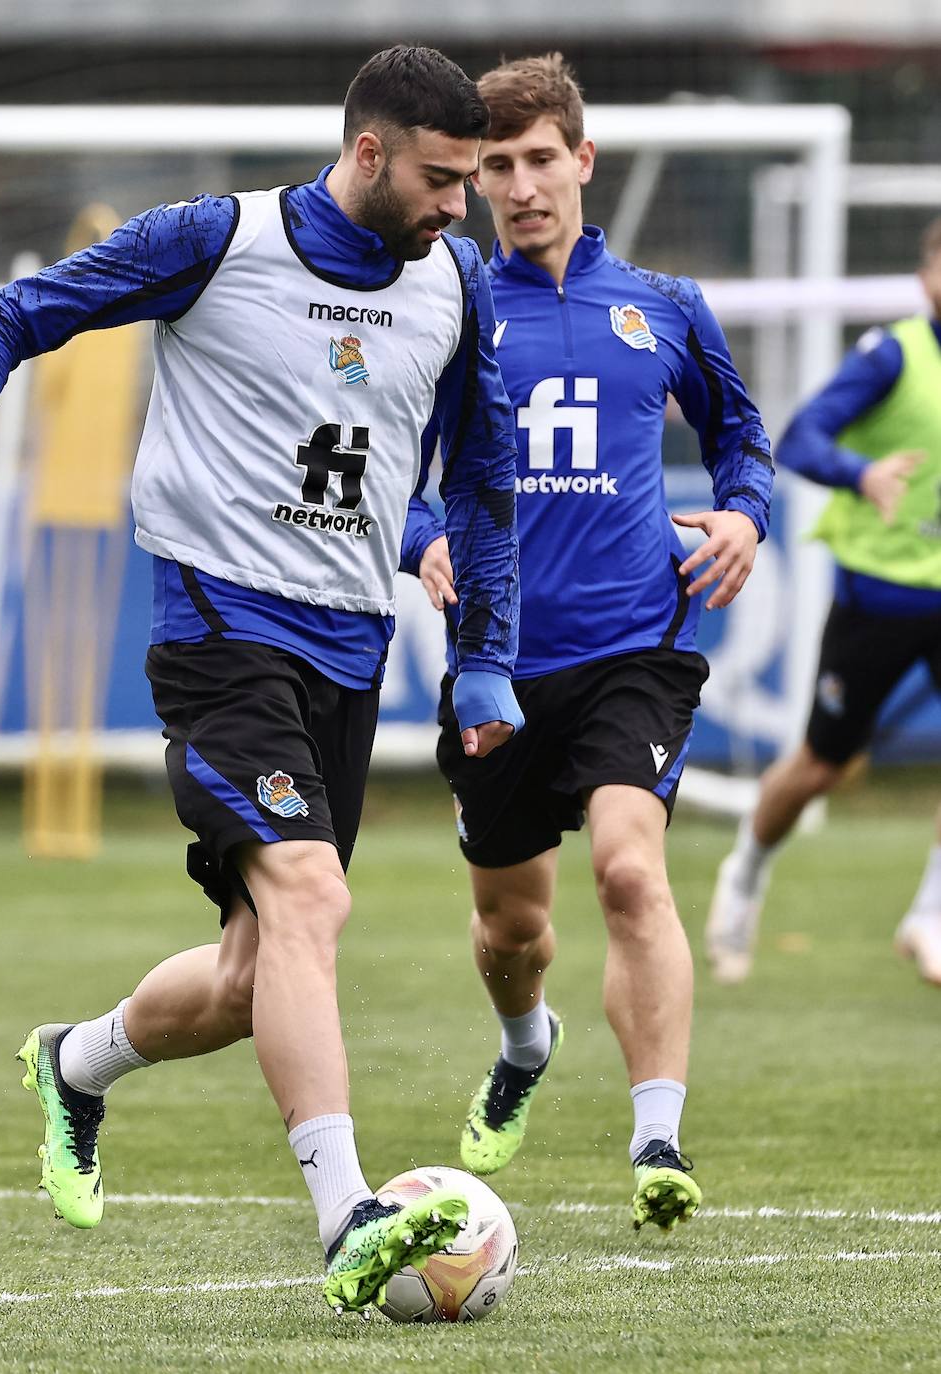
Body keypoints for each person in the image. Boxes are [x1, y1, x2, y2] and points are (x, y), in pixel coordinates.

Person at [0, 45, 524, 1314]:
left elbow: (473, 481)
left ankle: (76, 1061)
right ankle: (348, 1213)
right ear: (367, 153)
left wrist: (485, 657)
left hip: (350, 647)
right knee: (310, 902)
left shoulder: (454, 277)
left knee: (252, 973)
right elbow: (12, 318)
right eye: (446, 180)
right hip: (220, 633)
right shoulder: (212, 243)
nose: (465, 206)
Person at [401, 54, 772, 1230]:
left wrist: (745, 519)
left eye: (538, 159)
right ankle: (523, 1045)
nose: (518, 185)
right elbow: (395, 466)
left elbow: (744, 444)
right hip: (496, 661)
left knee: (627, 866)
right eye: (496, 166)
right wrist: (420, 544)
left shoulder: (663, 306)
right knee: (512, 928)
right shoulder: (445, 304)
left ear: (581, 160)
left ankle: (656, 1136)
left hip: (635, 648)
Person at [706, 217, 941, 986]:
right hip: (879, 595)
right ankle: (746, 869)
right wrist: (862, 474)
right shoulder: (891, 355)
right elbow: (801, 437)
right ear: (925, 272)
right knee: (819, 765)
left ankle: (928, 916)